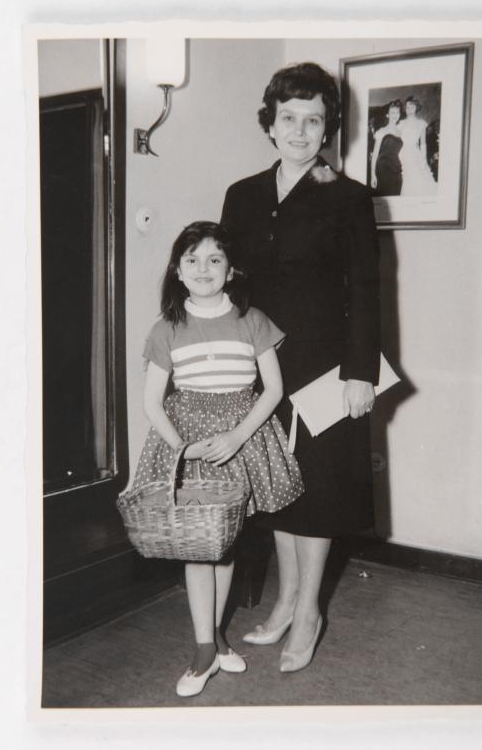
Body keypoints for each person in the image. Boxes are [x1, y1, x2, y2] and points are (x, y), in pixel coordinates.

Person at [221, 62, 380, 673]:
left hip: (327, 367)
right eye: (289, 118)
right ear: (271, 124)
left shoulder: (347, 196)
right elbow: (231, 285)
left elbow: (366, 289)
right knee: (278, 486)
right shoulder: (243, 195)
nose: (300, 130)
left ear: (328, 129)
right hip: (262, 367)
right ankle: (286, 601)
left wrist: (360, 372)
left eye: (314, 120)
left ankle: (308, 611)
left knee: (319, 491)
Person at [132, 221, 303, 696]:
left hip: (240, 439)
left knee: (224, 541)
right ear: (177, 270)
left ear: (231, 270)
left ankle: (219, 638)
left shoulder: (252, 319)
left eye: (214, 259)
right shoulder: (167, 327)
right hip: (190, 443)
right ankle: (205, 646)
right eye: (192, 260)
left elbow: (273, 389)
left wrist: (238, 436)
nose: (203, 269)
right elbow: (152, 403)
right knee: (198, 544)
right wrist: (182, 450)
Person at [398, 96, 437, 196]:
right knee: (407, 178)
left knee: (419, 177)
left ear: (416, 108)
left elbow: (423, 143)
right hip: (403, 153)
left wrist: (423, 159)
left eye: (411, 106)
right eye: (407, 107)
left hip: (415, 153)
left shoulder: (421, 123)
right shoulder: (401, 123)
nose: (409, 109)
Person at [370, 99, 404, 196]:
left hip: (397, 168)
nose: (395, 115)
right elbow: (375, 154)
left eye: (397, 112)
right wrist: (373, 175)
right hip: (383, 168)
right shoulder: (382, 131)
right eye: (392, 112)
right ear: (387, 115)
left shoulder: (401, 132)